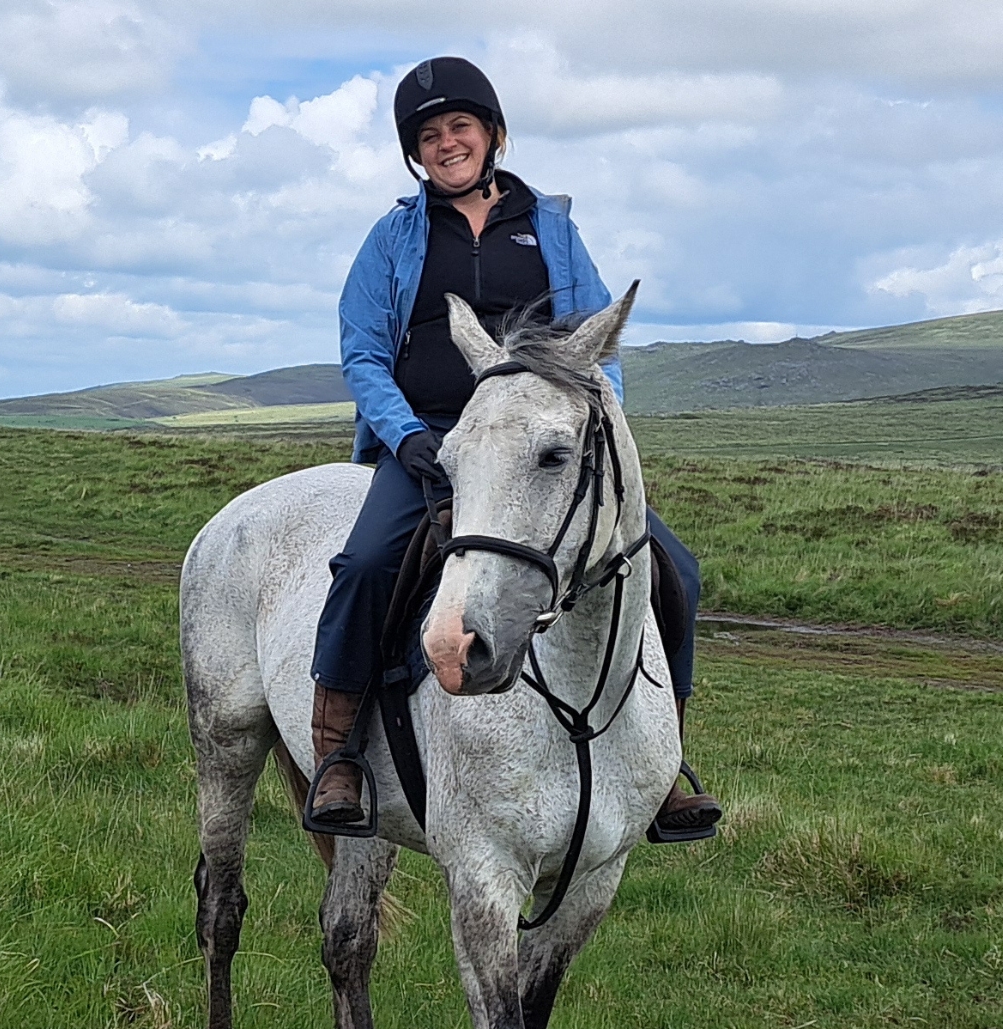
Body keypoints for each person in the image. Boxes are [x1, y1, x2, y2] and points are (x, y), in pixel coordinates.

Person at [308, 56, 720, 838]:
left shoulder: (552, 228)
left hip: (544, 447)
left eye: (459, 127)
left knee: (675, 572)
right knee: (366, 567)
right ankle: (339, 755)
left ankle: (663, 764)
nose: (446, 143)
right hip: (432, 444)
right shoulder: (393, 238)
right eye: (429, 135)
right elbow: (362, 351)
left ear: (492, 135)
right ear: (415, 153)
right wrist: (409, 438)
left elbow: (598, 343)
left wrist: (592, 435)